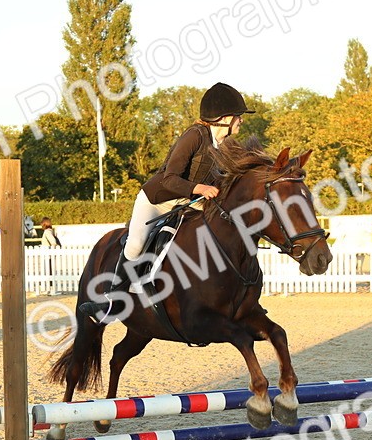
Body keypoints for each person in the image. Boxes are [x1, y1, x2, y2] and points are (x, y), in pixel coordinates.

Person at [78, 82, 252, 321]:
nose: (241, 121)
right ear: (223, 118)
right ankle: (113, 301)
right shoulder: (194, 136)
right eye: (238, 116)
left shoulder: (225, 145)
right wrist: (199, 188)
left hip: (188, 202)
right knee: (136, 244)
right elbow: (170, 178)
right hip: (157, 199)